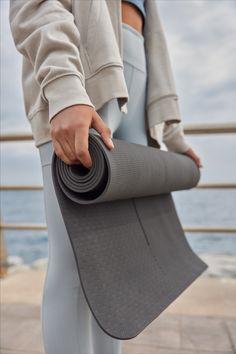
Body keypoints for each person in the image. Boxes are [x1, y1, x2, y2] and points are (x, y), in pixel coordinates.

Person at [9, 1, 202, 353]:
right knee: (73, 266)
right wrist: (64, 87)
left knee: (118, 268)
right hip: (82, 63)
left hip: (137, 78)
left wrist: (173, 135)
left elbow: (153, 39)